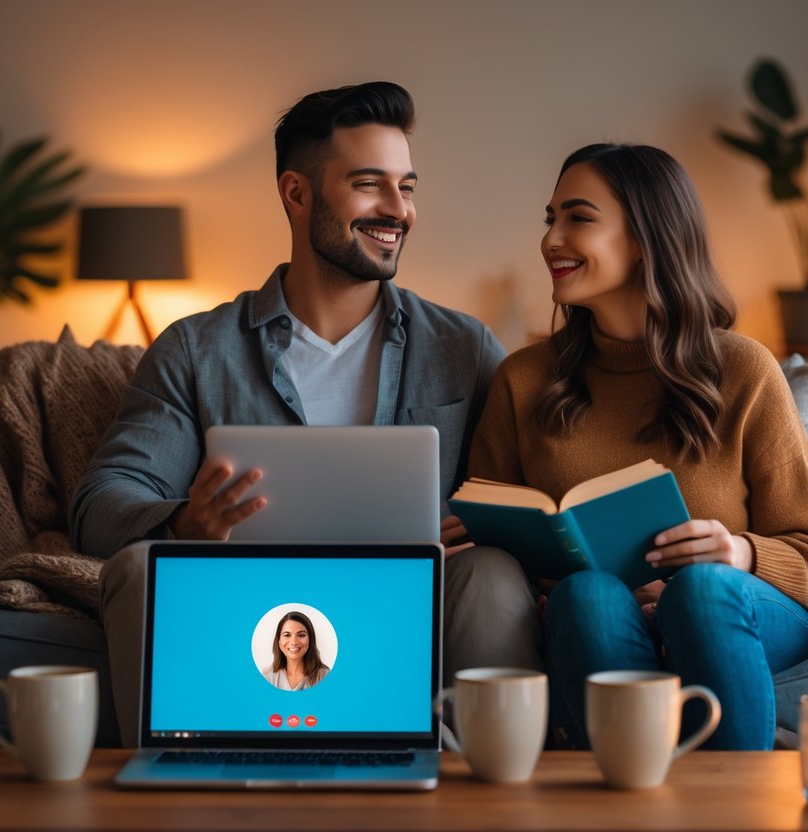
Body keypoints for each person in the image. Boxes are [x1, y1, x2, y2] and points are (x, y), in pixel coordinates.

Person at [71, 82, 534, 747]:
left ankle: (486, 797)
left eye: (406, 187)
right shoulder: (197, 350)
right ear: (296, 193)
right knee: (142, 566)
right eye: (370, 184)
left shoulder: (464, 348)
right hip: (248, 599)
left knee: (492, 573)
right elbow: (102, 504)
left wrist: (483, 525)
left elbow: (519, 495)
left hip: (406, 597)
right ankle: (177, 791)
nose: (395, 210)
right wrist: (184, 523)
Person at [460, 143, 808, 750]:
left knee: (700, 589)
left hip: (734, 613)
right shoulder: (523, 379)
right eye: (549, 219)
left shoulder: (744, 370)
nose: (550, 239)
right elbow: (496, 541)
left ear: (645, 238)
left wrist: (738, 553)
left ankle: (734, 805)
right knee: (588, 595)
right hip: (595, 620)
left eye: (578, 218)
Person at [262, 611, 330, 691]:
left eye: (301, 635)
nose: (294, 642)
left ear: (310, 640)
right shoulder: (267, 676)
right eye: (287, 635)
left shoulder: (325, 676)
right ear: (279, 641)